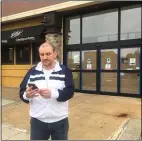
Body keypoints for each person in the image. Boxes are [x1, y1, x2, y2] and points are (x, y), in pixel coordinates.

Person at [19, 41, 75, 140]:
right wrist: (26, 95)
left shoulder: (65, 71)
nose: (45, 57)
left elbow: (70, 91)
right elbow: (22, 91)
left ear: (55, 53)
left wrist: (53, 94)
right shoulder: (32, 71)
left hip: (60, 121)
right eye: (42, 54)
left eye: (48, 54)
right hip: (37, 122)